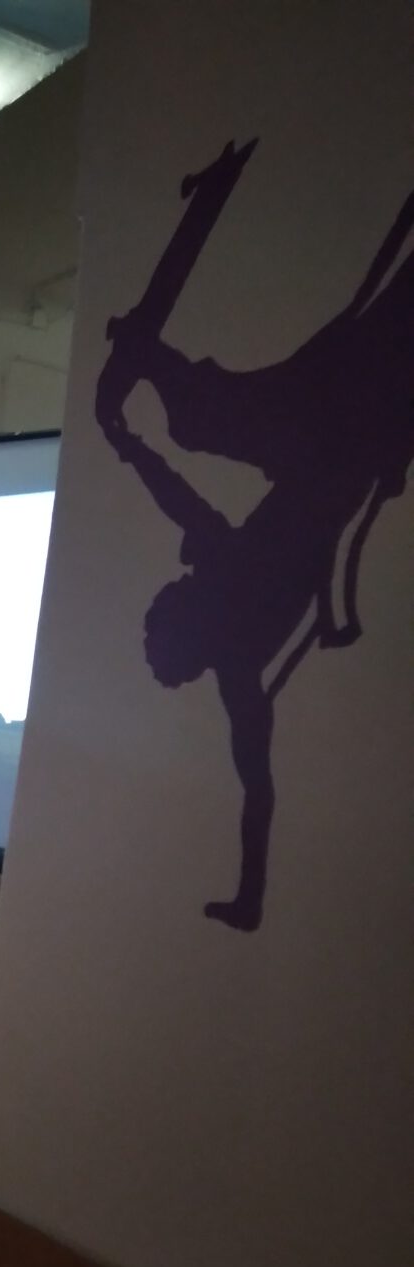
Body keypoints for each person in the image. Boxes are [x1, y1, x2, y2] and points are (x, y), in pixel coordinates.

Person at [95, 141, 413, 931]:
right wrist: (133, 442)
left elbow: (257, 790)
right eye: (167, 611)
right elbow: (186, 506)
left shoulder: (230, 640)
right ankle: (153, 358)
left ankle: (154, 357)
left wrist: (248, 898)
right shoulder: (228, 613)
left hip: (324, 442)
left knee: (206, 416)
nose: (172, 590)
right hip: (334, 445)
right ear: (188, 627)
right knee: (204, 418)